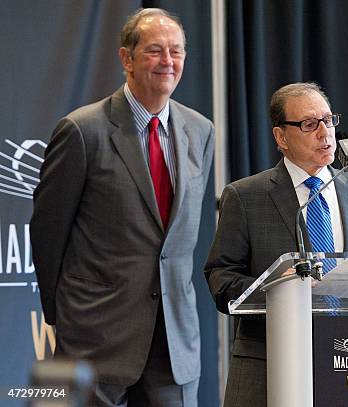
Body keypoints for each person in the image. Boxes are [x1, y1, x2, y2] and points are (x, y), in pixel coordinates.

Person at [30, 8, 214, 406]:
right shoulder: (82, 131)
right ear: (126, 59)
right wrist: (62, 315)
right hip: (94, 340)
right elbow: (47, 233)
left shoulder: (201, 131)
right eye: (155, 51)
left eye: (177, 51)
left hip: (174, 344)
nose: (168, 61)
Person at [205, 82, 348, 406]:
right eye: (309, 124)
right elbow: (221, 279)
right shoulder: (246, 196)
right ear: (281, 137)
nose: (325, 133)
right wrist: (282, 293)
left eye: (328, 120)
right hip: (269, 367)